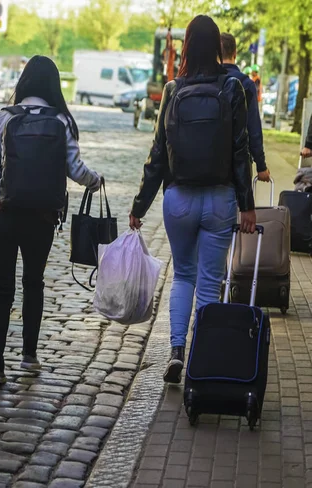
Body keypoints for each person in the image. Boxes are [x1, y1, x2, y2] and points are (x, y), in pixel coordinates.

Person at [129, 15, 256, 384]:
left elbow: (156, 155)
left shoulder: (172, 89)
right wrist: (246, 205)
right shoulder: (232, 88)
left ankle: (176, 352)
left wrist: (140, 206)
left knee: (182, 276)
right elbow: (239, 150)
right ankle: (203, 356)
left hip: (178, 199)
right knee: (210, 279)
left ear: (185, 45)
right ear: (218, 46)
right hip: (219, 199)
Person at [0, 55, 102, 386]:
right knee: (33, 283)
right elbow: (75, 168)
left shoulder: (4, 118)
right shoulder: (61, 120)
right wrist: (95, 180)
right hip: (40, 217)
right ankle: (29, 356)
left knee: (1, 290)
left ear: (24, 82)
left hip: (0, 213)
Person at [221, 33, 271, 182]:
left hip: (210, 160)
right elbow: (253, 127)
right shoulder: (246, 84)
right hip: (239, 163)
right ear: (235, 53)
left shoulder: (208, 81)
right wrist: (261, 166)